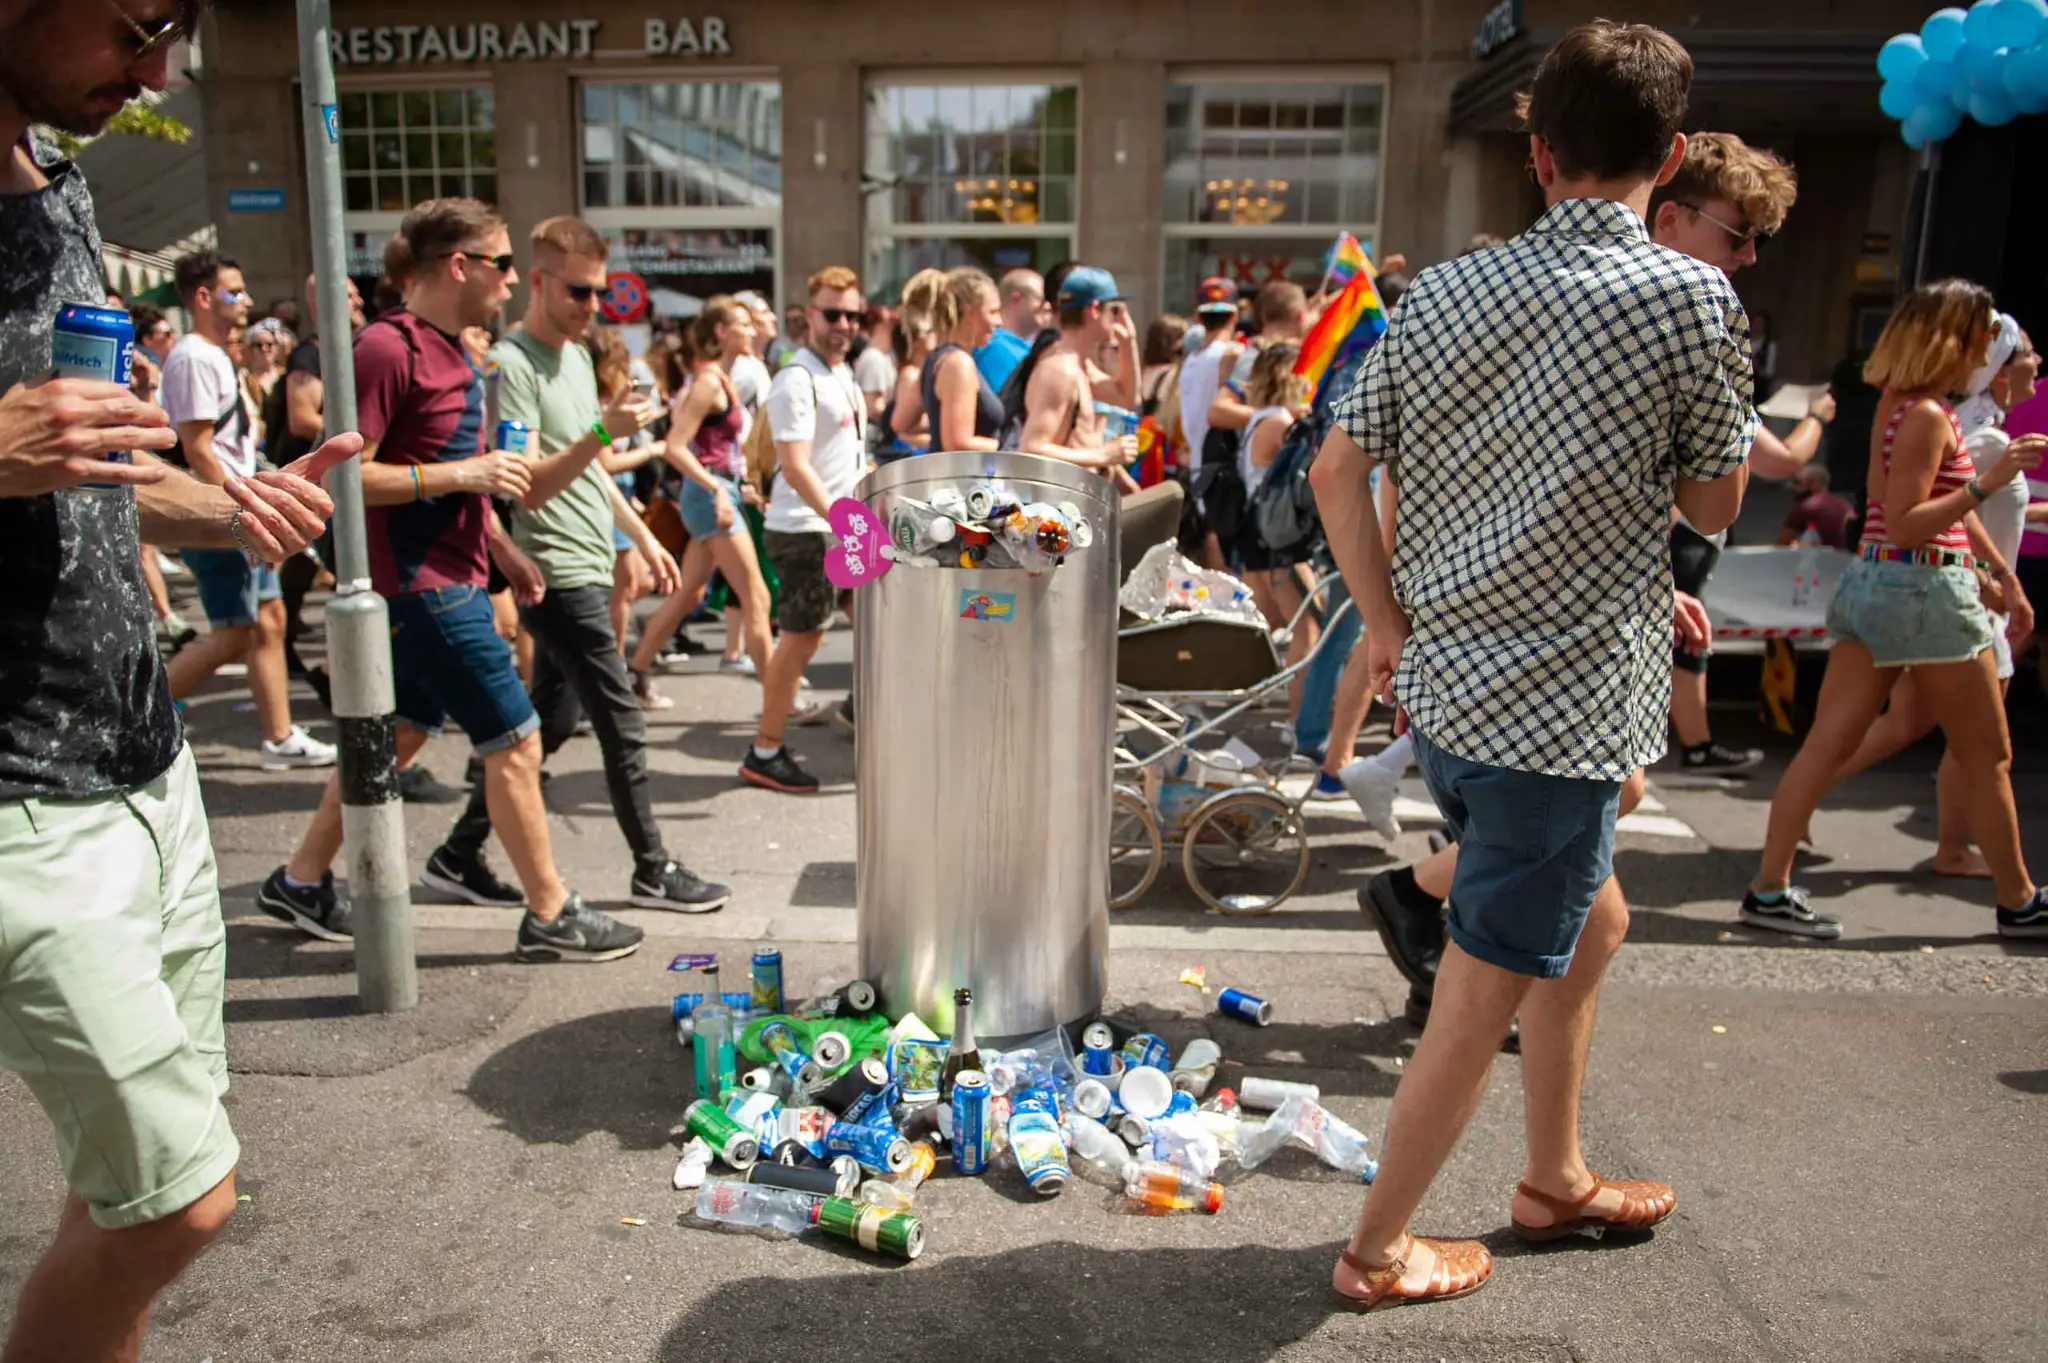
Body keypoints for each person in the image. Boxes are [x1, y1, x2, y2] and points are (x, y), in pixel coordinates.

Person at [1311, 22, 1749, 1308]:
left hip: (1449, 690)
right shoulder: (1688, 298)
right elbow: (1715, 505)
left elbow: (1339, 465)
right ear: (1667, 161)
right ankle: (1374, 1249)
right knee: (1477, 991)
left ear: (1537, 149)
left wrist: (1383, 622)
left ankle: (1551, 1175)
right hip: (1558, 718)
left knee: (1591, 917)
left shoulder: (1443, 290)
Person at [0, 3, 359, 1352]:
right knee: (177, 1206)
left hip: (149, 764)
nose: (159, 75)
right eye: (139, 25)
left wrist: (228, 510)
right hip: (20, 801)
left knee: (123, 1198)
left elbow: (90, 460)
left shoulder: (58, 181)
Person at [264, 197, 649, 962]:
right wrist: (462, 472)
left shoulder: (454, 352)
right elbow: (342, 474)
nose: (512, 283)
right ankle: (551, 910)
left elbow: (478, 480)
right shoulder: (386, 347)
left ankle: (300, 878)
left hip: (453, 574)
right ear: (459, 264)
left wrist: (501, 548)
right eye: (504, 265)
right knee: (516, 738)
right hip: (419, 584)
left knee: (399, 732)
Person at [411, 216, 726, 914]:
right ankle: (653, 867)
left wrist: (642, 536)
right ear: (543, 281)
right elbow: (531, 483)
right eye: (580, 293)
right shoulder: (509, 366)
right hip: (551, 569)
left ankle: (457, 855)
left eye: (601, 294)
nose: (592, 307)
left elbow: (594, 472)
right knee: (622, 720)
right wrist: (599, 433)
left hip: (589, 559)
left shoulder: (579, 359)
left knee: (546, 727)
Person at [1744, 281, 2046, 940]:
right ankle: (2020, 900)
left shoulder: (1897, 405)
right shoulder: (1930, 415)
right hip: (1923, 590)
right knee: (1986, 753)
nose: (1982, 354)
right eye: (1975, 338)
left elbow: (1886, 508)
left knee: (1826, 746)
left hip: (1879, 583)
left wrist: (1992, 570)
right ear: (1949, 341)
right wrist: (1985, 486)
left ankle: (1768, 887)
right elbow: (1909, 523)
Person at [1645, 132, 1822, 775]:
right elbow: (1716, 502)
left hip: (1590, 599)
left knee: (1597, 811)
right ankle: (1414, 881)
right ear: (1669, 217)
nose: (1749, 257)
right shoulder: (1688, 325)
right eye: (1737, 235)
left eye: (1759, 241)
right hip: (1585, 615)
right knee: (1588, 811)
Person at [158, 249, 336, 770]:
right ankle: (136, 716)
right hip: (222, 514)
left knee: (269, 620)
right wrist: (239, 515)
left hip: (238, 511)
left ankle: (278, 737)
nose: (247, 300)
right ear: (203, 297)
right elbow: (196, 448)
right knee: (235, 631)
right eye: (234, 291)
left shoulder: (212, 354)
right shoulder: (193, 355)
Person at [629, 296, 803, 716]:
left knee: (689, 595)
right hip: (708, 496)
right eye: (742, 324)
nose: (751, 330)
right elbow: (674, 447)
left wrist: (737, 486)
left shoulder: (721, 380)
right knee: (756, 597)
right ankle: (780, 701)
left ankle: (633, 674)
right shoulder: (709, 382)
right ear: (722, 333)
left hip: (716, 492)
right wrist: (718, 489)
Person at [742, 265, 871, 794]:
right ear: (810, 316)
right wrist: (846, 525)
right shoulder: (796, 378)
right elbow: (794, 465)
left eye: (852, 314)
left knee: (877, 626)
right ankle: (764, 750)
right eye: (833, 313)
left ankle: (866, 716)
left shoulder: (841, 373)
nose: (843, 323)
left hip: (841, 525)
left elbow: (848, 458)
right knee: (800, 642)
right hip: (806, 530)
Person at [1015, 267, 1140, 473]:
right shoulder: (1060, 370)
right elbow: (1031, 449)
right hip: (1060, 503)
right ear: (1094, 310)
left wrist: (1129, 342)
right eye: (1115, 310)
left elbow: (1128, 398)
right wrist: (1104, 455)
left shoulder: (1079, 366)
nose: (1120, 320)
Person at [895, 266, 1004, 454]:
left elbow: (900, 423)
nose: (999, 321)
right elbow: (957, 444)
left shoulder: (936, 360)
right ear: (970, 313)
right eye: (993, 312)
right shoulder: (958, 364)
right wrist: (1014, 447)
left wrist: (937, 435)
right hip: (962, 481)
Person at [974, 267, 1045, 391]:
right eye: (1041, 299)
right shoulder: (997, 348)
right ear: (1016, 298)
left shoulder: (1023, 346)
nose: (1047, 306)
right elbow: (1007, 407)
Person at [1778, 464, 1856, 548]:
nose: (1792, 488)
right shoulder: (1845, 504)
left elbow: (1782, 544)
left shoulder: (1806, 507)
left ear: (1813, 484)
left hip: (1821, 559)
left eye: (1797, 482)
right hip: (1848, 557)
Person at [854, 302, 897, 425]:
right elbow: (871, 406)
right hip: (876, 435)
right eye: (892, 324)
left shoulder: (885, 357)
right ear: (881, 326)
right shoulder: (873, 358)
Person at [765, 301, 805, 372]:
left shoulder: (811, 342)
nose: (791, 324)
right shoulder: (778, 344)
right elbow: (772, 369)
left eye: (796, 320)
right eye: (787, 320)